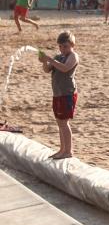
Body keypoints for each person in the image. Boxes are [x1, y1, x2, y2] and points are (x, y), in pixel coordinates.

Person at [38, 31, 79, 160]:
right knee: (59, 122)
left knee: (64, 122)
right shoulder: (58, 56)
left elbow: (65, 68)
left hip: (67, 93)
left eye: (65, 46)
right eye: (60, 46)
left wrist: (50, 59)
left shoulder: (73, 56)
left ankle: (68, 151)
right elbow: (47, 69)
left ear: (72, 45)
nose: (62, 49)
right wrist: (44, 61)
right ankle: (62, 149)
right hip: (57, 94)